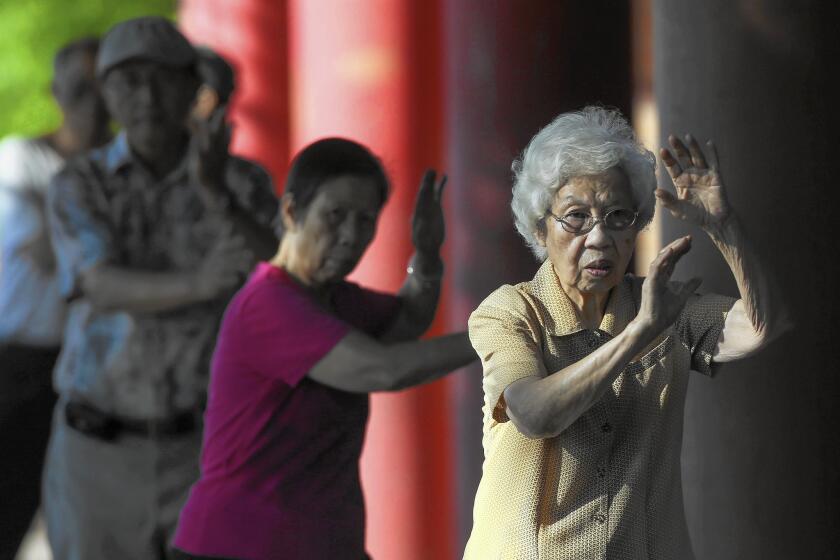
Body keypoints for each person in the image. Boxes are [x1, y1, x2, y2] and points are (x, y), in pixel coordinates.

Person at [463, 106, 789, 559]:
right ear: (541, 226)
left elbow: (762, 327)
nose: (598, 238)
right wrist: (638, 335)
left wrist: (723, 226)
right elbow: (533, 414)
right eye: (575, 217)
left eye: (618, 216)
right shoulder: (511, 311)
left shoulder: (663, 307)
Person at [172, 138, 478, 560]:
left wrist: (426, 255)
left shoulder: (332, 298)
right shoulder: (268, 303)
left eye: (366, 220)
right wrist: (500, 335)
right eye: (335, 216)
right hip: (239, 546)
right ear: (292, 212)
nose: (351, 236)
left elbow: (408, 320)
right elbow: (384, 370)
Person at [43, 17, 278, 560]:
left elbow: (284, 276)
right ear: (106, 93)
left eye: (162, 78)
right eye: (128, 81)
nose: (146, 96)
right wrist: (203, 284)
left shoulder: (241, 182)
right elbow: (97, 283)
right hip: (96, 448)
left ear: (191, 88)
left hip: (207, 445)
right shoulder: (79, 182)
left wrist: (218, 194)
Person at [0, 36, 110, 559]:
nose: (94, 104)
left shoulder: (121, 172)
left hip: (91, 376)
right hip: (16, 365)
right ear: (56, 93)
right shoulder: (20, 159)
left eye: (105, 89)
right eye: (81, 90)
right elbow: (47, 253)